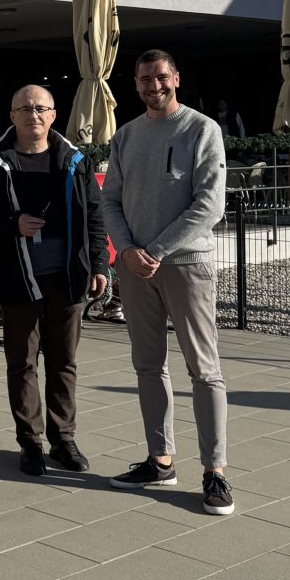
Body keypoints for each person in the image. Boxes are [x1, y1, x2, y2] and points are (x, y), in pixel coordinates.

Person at [101, 49, 233, 515]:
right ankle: (160, 460)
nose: (153, 85)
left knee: (204, 369)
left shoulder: (201, 129)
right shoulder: (126, 135)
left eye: (160, 77)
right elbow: (110, 200)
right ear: (135, 84)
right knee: (147, 365)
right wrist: (127, 251)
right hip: (135, 267)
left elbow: (209, 205)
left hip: (186, 265)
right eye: (144, 79)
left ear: (175, 78)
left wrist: (154, 250)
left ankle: (215, 471)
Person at [0, 85, 108, 476]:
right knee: (22, 363)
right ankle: (30, 441)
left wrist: (99, 264)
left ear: (54, 115)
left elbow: (95, 214)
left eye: (41, 108)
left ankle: (63, 439)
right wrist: (12, 223)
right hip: (19, 278)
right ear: (12, 116)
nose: (34, 115)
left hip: (67, 277)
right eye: (25, 109)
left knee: (64, 361)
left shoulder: (73, 159)